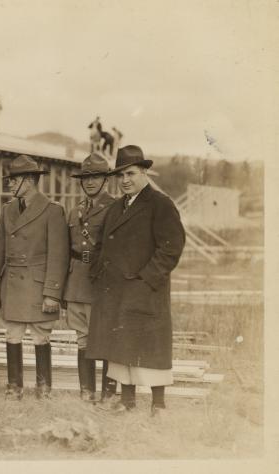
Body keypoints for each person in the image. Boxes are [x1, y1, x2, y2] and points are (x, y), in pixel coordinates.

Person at [87, 145, 185, 415]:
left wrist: (145, 279)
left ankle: (158, 404)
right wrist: (97, 272)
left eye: (130, 173)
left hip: (145, 289)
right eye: (120, 176)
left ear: (144, 172)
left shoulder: (160, 204)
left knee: (151, 348)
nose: (125, 180)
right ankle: (127, 401)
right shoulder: (116, 207)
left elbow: (172, 247)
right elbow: (100, 246)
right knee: (121, 348)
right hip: (116, 290)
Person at [0, 155, 68, 400]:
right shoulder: (7, 209)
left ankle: (43, 388)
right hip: (11, 284)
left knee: (41, 335)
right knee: (12, 334)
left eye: (14, 180)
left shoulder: (53, 211)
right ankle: (15, 386)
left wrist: (52, 292)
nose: (9, 184)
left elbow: (58, 256)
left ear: (30, 180)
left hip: (37, 286)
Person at [62, 153, 116, 402]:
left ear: (105, 179)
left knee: (103, 336)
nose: (90, 182)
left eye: (96, 177)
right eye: (86, 178)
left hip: (101, 282)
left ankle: (107, 393)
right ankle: (86, 392)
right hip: (76, 282)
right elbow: (67, 250)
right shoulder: (75, 211)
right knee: (81, 337)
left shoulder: (115, 208)